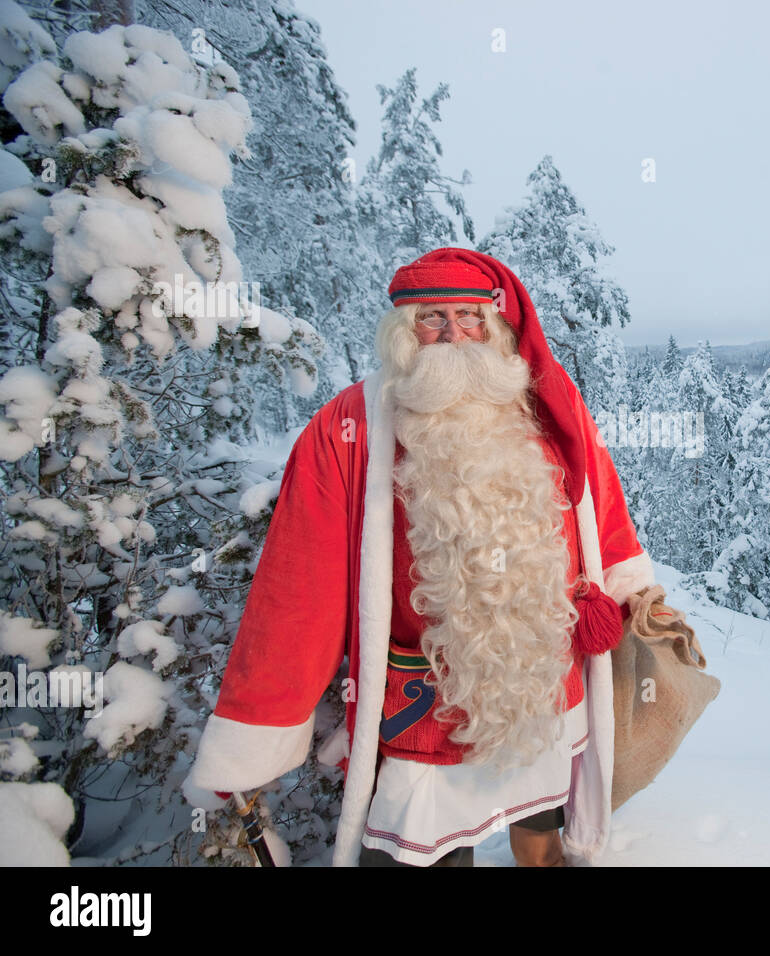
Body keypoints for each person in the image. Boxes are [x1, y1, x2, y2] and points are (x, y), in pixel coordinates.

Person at [186, 248, 656, 866]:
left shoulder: (544, 403)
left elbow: (601, 500)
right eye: (432, 318)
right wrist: (258, 724)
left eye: (469, 316)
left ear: (497, 326)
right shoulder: (348, 427)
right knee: (417, 850)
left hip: (542, 678)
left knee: (544, 816)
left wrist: (635, 590)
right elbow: (299, 588)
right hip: (425, 703)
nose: (453, 333)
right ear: (404, 333)